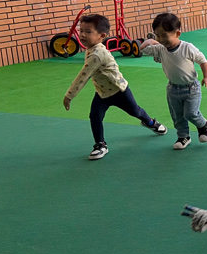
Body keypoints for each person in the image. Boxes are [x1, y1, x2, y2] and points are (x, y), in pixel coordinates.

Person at [62, 13, 167, 160]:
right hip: (102, 93)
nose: (83, 35)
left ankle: (150, 122)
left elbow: (83, 76)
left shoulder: (97, 54)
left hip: (119, 91)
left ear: (102, 36)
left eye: (88, 31)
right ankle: (100, 144)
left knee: (135, 111)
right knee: (95, 116)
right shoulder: (92, 48)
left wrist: (69, 96)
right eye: (81, 31)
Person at [139, 12, 207, 150]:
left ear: (177, 33)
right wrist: (152, 41)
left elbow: (202, 60)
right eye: (157, 35)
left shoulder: (187, 47)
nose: (161, 39)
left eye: (164, 35)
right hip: (173, 89)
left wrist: (206, 77)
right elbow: (143, 49)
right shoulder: (160, 49)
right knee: (177, 116)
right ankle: (183, 136)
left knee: (190, 113)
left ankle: (202, 125)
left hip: (191, 88)